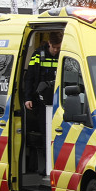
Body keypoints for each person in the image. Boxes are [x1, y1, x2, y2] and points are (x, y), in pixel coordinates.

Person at [23, 31, 63, 173]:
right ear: (49, 44)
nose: (56, 50)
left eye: (59, 47)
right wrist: (28, 98)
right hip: (41, 102)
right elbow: (29, 78)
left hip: (59, 102)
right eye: (54, 47)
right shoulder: (38, 55)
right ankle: (47, 167)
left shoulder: (63, 55)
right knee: (46, 133)